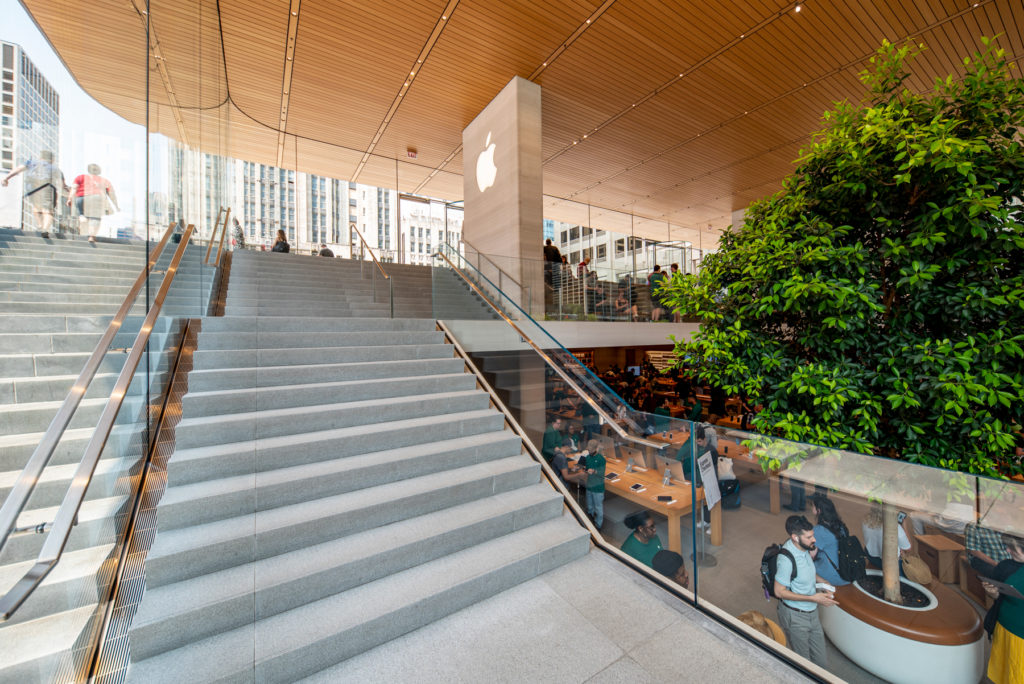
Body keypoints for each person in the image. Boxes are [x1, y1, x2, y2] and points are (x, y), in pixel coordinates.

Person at [773, 515, 839, 668]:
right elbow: (779, 591)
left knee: (821, 663)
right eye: (809, 537)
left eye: (813, 535)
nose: (814, 540)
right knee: (804, 664)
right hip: (795, 617)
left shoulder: (805, 548)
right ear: (795, 537)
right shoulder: (786, 559)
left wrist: (822, 581)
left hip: (812, 613)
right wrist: (813, 599)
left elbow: (805, 571)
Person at [981, 534, 1024, 684]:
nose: (1007, 550)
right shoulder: (1006, 566)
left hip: (1021, 635)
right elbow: (997, 597)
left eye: (1013, 548)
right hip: (1003, 627)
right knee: (1003, 671)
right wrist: (992, 593)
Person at [2, 150, 67, 238]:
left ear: (41, 157)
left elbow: (18, 169)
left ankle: (40, 225)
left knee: (36, 208)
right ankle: (45, 229)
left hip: (32, 187)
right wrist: (66, 189)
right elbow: (62, 182)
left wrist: (6, 178)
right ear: (52, 159)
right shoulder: (54, 167)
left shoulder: (31, 162)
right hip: (47, 187)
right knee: (48, 211)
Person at [808, 494, 851, 587]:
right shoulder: (840, 525)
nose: (812, 507)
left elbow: (811, 556)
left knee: (800, 563)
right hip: (846, 570)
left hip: (833, 575)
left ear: (818, 511)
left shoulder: (819, 530)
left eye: (813, 506)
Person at [68, 163, 119, 242]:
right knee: (95, 218)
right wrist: (116, 206)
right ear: (99, 171)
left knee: (84, 216)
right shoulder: (104, 181)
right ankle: (91, 236)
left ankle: (82, 217)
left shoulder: (80, 177)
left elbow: (74, 188)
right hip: (96, 198)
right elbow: (112, 194)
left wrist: (69, 199)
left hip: (82, 198)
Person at [861, 503, 910, 574]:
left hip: (871, 557)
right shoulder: (896, 527)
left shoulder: (865, 520)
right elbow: (908, 548)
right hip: (889, 564)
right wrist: (904, 525)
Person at [581, 439, 606, 529]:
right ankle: (590, 522)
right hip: (589, 486)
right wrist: (584, 469)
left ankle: (598, 525)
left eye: (591, 450)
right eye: (588, 450)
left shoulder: (601, 459)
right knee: (590, 507)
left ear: (595, 449)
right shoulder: (587, 457)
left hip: (598, 488)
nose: (589, 451)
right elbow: (586, 468)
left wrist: (594, 471)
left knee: (598, 508)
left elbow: (602, 473)